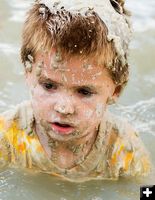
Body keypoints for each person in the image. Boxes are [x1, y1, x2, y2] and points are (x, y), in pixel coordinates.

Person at [0, 0, 151, 182]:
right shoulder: (8, 136)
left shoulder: (124, 149)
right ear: (27, 72)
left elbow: (143, 190)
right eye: (49, 86)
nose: (64, 108)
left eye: (84, 91)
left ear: (115, 91)